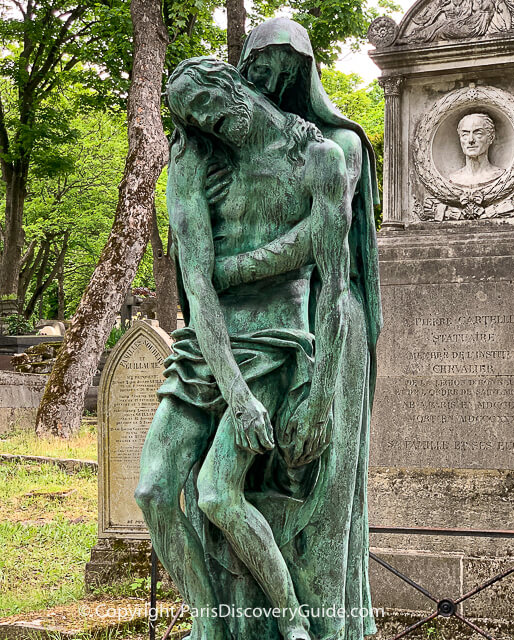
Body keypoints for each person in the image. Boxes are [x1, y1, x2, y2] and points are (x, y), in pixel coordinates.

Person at [137, 56, 353, 640]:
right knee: (153, 489)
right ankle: (209, 624)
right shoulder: (195, 159)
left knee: (214, 491)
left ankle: (292, 624)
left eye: (207, 103)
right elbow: (197, 285)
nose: (209, 122)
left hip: (275, 342)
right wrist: (233, 391)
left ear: (230, 82)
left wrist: (322, 393)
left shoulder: (319, 160)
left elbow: (333, 287)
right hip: (205, 346)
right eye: (194, 119)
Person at [449, 112, 505, 186]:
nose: (471, 140)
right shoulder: (454, 177)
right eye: (465, 134)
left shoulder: (499, 174)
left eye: (478, 134)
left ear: (491, 138)